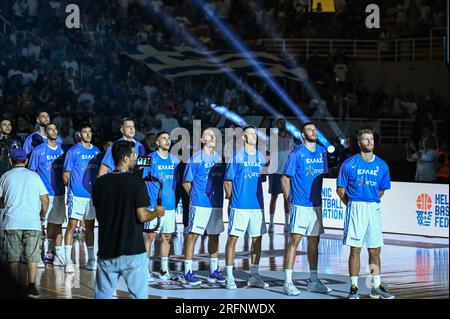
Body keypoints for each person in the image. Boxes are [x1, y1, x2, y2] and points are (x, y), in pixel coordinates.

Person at [92, 141, 164, 299]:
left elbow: (99, 216)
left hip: (107, 250)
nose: (136, 157)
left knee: (103, 295)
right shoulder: (137, 183)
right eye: (133, 155)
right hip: (133, 250)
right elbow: (142, 216)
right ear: (125, 158)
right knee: (138, 296)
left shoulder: (99, 184)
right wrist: (157, 213)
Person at [336, 128, 394, 299]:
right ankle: (353, 287)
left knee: (375, 250)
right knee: (355, 250)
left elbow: (382, 190)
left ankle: (375, 286)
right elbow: (340, 190)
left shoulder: (381, 165)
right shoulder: (349, 164)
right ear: (359, 142)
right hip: (356, 207)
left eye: (372, 139)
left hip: (373, 209)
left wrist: (371, 199)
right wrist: (352, 204)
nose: (370, 142)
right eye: (366, 139)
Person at [281, 122, 332, 296]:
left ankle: (313, 280)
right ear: (303, 134)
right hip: (300, 204)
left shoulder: (322, 152)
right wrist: (289, 199)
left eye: (316, 129)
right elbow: (285, 178)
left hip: (316, 205)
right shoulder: (296, 153)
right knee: (294, 241)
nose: (314, 132)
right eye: (310, 130)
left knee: (314, 242)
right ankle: (287, 282)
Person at [0, 148, 49, 298]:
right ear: (26, 161)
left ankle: (13, 288)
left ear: (10, 161)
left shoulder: (5, 177)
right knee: (32, 257)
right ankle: (32, 286)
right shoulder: (34, 176)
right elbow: (45, 199)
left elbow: (0, 200)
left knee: (12, 257)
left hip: (12, 221)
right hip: (32, 221)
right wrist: (42, 215)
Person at [224, 126, 269, 290]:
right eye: (250, 133)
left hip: (257, 206)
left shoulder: (261, 157)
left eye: (255, 133)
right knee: (233, 239)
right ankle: (229, 276)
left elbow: (261, 178)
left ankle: (254, 275)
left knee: (257, 239)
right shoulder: (236, 157)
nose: (254, 136)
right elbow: (227, 181)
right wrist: (231, 200)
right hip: (239, 205)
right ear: (243, 138)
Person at [182, 128, 226, 286]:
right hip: (200, 203)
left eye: (215, 134)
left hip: (216, 203)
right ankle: (187, 271)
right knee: (193, 236)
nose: (213, 136)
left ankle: (214, 271)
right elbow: (186, 182)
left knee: (214, 236)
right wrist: (195, 198)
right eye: (209, 134)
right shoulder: (195, 158)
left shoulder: (220, 158)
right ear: (202, 139)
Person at [63, 122, 101, 273]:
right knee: (72, 226)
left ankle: (92, 259)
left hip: (92, 196)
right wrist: (72, 191)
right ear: (79, 134)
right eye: (85, 132)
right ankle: (68, 260)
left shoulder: (97, 151)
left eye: (90, 132)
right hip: (77, 195)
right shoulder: (73, 151)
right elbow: (66, 175)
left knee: (90, 227)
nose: (88, 134)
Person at [142, 132, 180, 282]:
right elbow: (142, 180)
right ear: (157, 142)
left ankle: (164, 270)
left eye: (168, 138)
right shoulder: (149, 158)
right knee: (150, 236)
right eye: (163, 138)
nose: (167, 140)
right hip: (153, 205)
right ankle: (144, 270)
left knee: (167, 237)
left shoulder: (175, 160)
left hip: (169, 206)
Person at [28, 123, 66, 267]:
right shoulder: (38, 151)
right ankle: (38, 256)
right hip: (44, 193)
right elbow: (31, 173)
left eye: (56, 129)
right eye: (51, 129)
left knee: (57, 224)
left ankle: (56, 255)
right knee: (40, 224)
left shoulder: (63, 150)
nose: (54, 131)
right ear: (46, 132)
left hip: (60, 193)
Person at [268, 118, 294, 233]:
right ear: (277, 125)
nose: (282, 124)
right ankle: (271, 223)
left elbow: (292, 154)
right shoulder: (272, 139)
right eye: (280, 122)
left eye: (284, 122)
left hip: (286, 172)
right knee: (273, 197)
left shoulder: (290, 138)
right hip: (274, 171)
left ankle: (287, 224)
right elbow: (268, 152)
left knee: (286, 198)